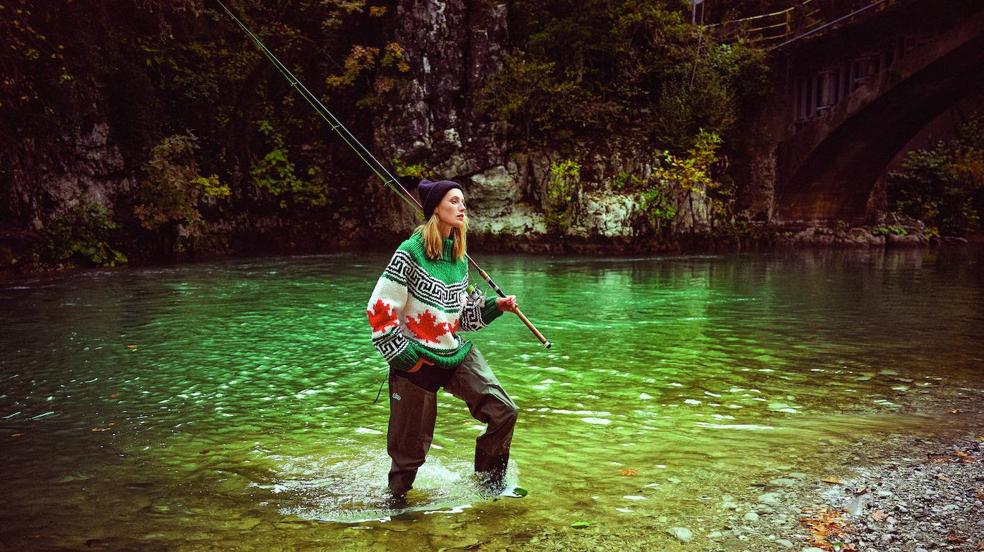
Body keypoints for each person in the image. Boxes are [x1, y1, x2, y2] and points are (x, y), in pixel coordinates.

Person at [366, 179, 520, 502]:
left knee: (504, 411)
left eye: (463, 201)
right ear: (436, 208)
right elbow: (379, 309)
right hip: (415, 360)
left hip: (453, 354)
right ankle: (396, 511)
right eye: (454, 201)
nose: (462, 207)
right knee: (408, 459)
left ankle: (489, 488)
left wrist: (496, 307)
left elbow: (460, 318)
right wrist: (406, 357)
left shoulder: (459, 259)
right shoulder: (409, 253)